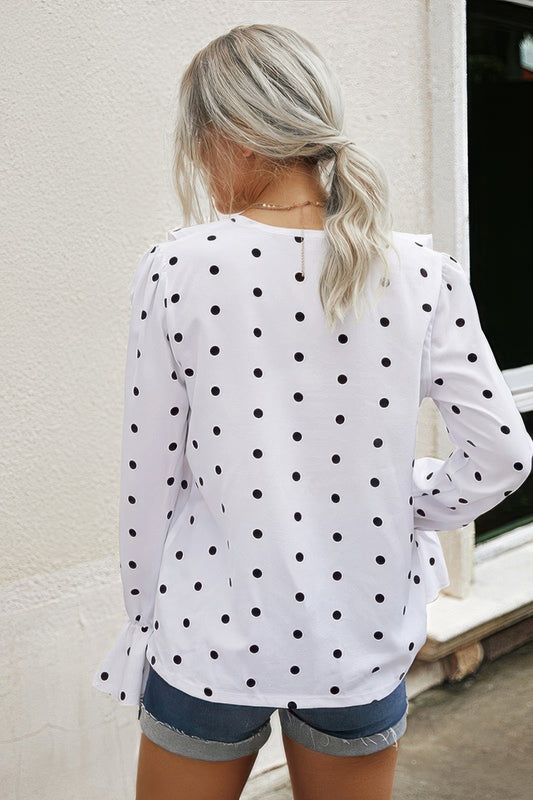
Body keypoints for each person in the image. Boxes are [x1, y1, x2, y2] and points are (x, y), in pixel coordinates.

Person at [92, 23, 533, 800]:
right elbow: (503, 455)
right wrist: (404, 499)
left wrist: (143, 623)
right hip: (358, 637)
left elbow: (148, 481)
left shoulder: (177, 269)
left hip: (208, 635)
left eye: (197, 140)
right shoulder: (420, 272)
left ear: (235, 137)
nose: (197, 159)